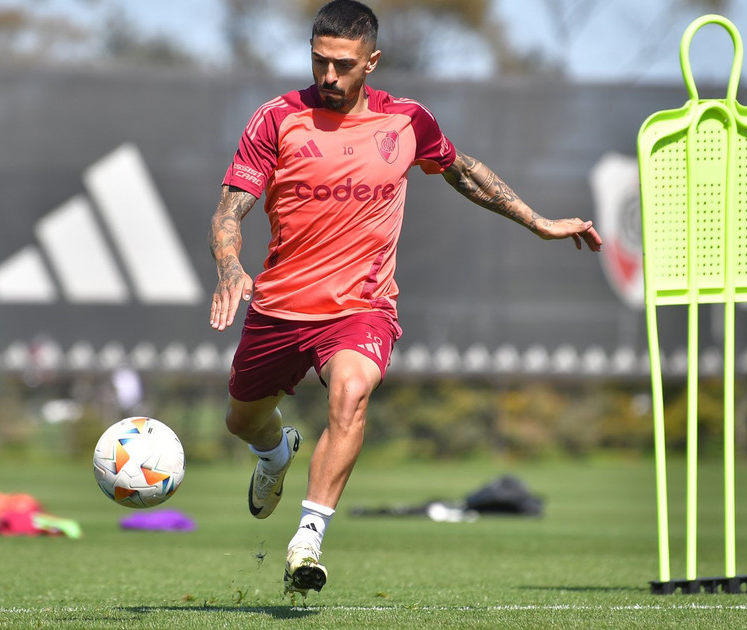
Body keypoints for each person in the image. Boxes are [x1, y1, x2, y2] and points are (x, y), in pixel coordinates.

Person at [207, 0, 602, 595]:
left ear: (371, 62)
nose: (329, 76)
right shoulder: (277, 118)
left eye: (343, 65)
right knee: (242, 421)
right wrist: (229, 264)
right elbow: (228, 210)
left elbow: (464, 171)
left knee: (350, 393)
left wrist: (538, 221)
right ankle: (274, 454)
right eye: (319, 61)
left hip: (360, 307)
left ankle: (306, 542)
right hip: (280, 307)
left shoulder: (407, 121)